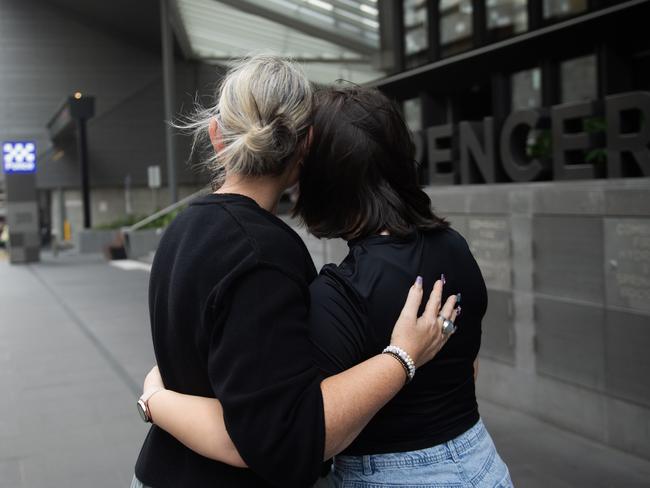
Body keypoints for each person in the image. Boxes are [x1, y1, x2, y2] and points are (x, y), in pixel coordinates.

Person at [138, 84, 513, 487]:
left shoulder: (341, 293)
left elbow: (288, 434)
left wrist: (157, 400)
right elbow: (465, 364)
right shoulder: (454, 248)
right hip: (481, 462)